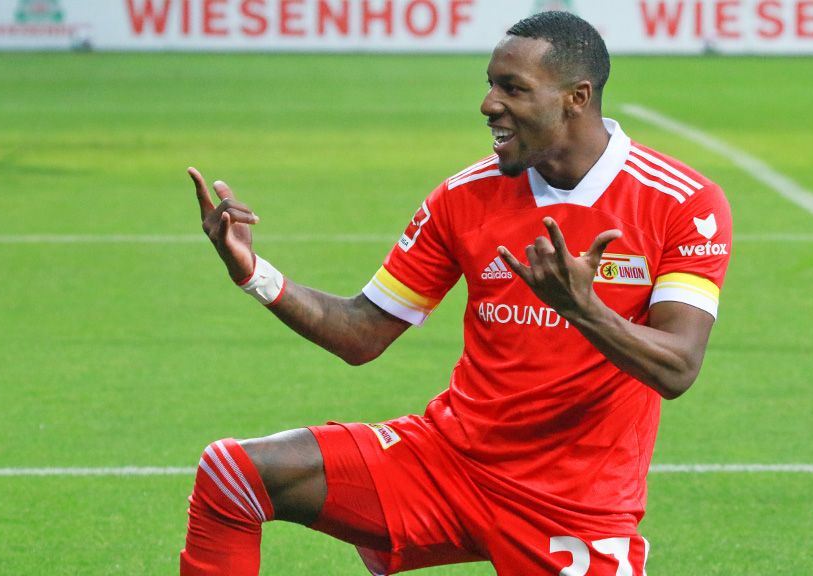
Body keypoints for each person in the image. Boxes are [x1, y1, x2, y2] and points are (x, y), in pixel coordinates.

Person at [180, 10, 731, 576]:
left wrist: (582, 309)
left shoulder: (682, 203)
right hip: (448, 465)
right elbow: (361, 333)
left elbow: (677, 367)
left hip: (572, 505)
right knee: (234, 472)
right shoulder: (464, 196)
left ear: (576, 97)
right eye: (490, 84)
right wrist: (256, 274)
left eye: (513, 88)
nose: (489, 104)